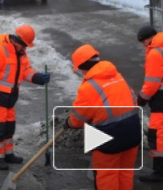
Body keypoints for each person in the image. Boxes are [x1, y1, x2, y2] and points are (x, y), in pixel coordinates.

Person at [64, 44, 141, 190]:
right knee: (125, 173)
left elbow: (78, 119)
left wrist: (69, 123)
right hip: (133, 131)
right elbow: (133, 100)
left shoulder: (88, 87)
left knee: (107, 176)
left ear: (83, 67)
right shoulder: (117, 76)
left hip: (109, 138)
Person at [0, 24, 50, 170]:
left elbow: (26, 71)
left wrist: (38, 77)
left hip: (10, 98)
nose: (25, 49)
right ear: (15, 41)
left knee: (8, 128)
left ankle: (7, 154)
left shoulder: (21, 53)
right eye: (23, 46)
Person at [136, 24, 163, 182]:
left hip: (161, 101)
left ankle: (159, 173)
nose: (143, 46)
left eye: (142, 42)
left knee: (158, 135)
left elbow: (152, 83)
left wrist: (141, 99)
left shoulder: (155, 53)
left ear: (147, 40)